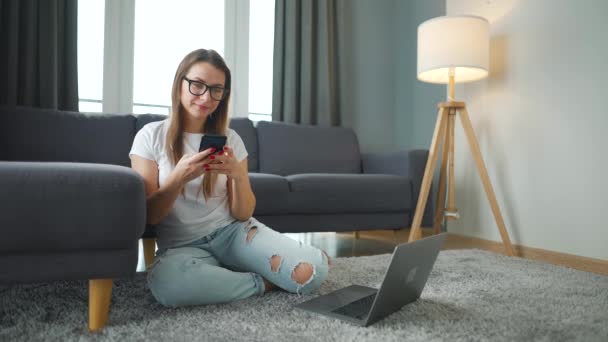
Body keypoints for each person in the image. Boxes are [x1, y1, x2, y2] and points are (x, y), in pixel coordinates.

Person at [129, 49, 330, 307]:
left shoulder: (232, 139)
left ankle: (240, 273)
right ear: (180, 83)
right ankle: (262, 282)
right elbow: (150, 216)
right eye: (197, 85)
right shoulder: (150, 137)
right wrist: (177, 178)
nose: (206, 97)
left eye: (216, 90)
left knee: (311, 273)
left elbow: (243, 212)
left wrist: (237, 176)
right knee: (169, 286)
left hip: (233, 234)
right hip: (181, 246)